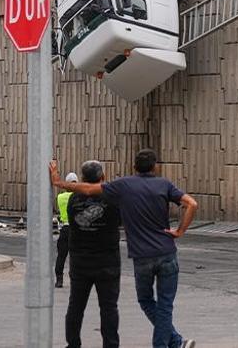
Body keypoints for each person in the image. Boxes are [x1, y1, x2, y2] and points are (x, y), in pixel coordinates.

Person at [51, 149, 199, 348]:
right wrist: (180, 230)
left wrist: (59, 182)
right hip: (131, 258)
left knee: (77, 306)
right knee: (116, 308)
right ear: (156, 166)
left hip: (94, 261)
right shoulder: (151, 187)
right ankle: (159, 343)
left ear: (134, 167)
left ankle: (73, 344)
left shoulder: (90, 195)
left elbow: (85, 191)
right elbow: (191, 203)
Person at [64, 160, 121, 348]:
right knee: (108, 308)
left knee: (76, 307)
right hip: (108, 261)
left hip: (80, 262)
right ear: (102, 177)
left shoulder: (73, 199)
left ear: (81, 178)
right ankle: (110, 345)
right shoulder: (112, 198)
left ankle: (73, 344)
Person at [54, 171, 78, 288]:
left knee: (61, 256)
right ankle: (75, 279)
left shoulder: (60, 197)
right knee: (75, 256)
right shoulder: (79, 197)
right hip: (76, 229)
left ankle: (59, 280)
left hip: (65, 228)